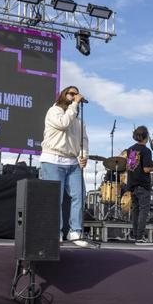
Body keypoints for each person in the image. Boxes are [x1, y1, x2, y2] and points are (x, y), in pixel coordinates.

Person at [41, 85, 88, 243]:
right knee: (56, 198)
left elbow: (83, 141)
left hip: (73, 162)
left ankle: (75, 231)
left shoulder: (78, 121)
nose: (75, 96)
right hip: (53, 159)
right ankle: (56, 232)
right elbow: (63, 124)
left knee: (79, 195)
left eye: (77, 94)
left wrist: (84, 155)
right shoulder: (54, 111)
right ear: (63, 95)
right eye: (71, 94)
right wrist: (75, 104)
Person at [125, 126, 153, 245]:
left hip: (132, 185)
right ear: (145, 136)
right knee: (144, 211)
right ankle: (140, 237)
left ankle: (135, 236)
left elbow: (131, 167)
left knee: (136, 211)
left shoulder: (130, 150)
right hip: (143, 185)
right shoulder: (146, 151)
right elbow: (146, 169)